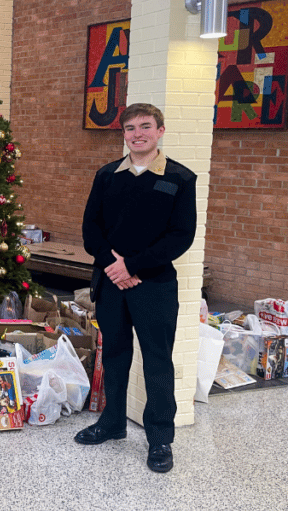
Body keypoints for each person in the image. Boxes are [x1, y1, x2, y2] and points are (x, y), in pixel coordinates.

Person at [77, 103, 197, 473]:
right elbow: (90, 230)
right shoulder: (107, 175)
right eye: (130, 128)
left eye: (145, 126)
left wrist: (132, 265)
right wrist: (116, 269)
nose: (137, 134)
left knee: (157, 361)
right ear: (124, 135)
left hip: (154, 285)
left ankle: (160, 437)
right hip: (112, 285)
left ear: (160, 131)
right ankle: (112, 422)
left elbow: (181, 236)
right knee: (113, 354)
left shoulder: (179, 178)